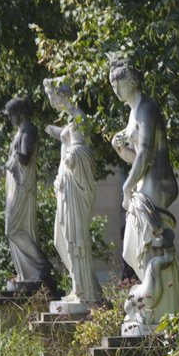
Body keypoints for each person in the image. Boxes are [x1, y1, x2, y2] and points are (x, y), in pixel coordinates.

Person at [109, 60, 179, 281]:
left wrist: (127, 186)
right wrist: (119, 148)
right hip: (144, 182)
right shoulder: (132, 113)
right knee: (132, 247)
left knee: (141, 241)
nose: (116, 90)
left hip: (158, 182)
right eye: (112, 86)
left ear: (132, 82)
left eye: (118, 84)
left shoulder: (147, 109)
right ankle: (151, 290)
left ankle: (158, 290)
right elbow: (134, 158)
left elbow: (146, 154)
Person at [44, 77, 103, 304]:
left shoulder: (78, 117)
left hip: (75, 186)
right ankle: (79, 286)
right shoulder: (70, 120)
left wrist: (69, 158)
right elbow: (66, 135)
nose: (50, 100)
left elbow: (81, 151)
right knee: (63, 237)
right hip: (66, 186)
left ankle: (83, 291)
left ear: (61, 94)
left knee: (74, 235)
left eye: (51, 94)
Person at [3, 97, 52, 286]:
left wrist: (13, 155)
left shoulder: (29, 131)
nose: (10, 119)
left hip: (23, 186)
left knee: (13, 229)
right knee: (14, 229)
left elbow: (25, 158)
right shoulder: (21, 131)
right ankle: (29, 272)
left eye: (11, 115)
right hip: (16, 184)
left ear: (20, 114)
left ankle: (41, 265)